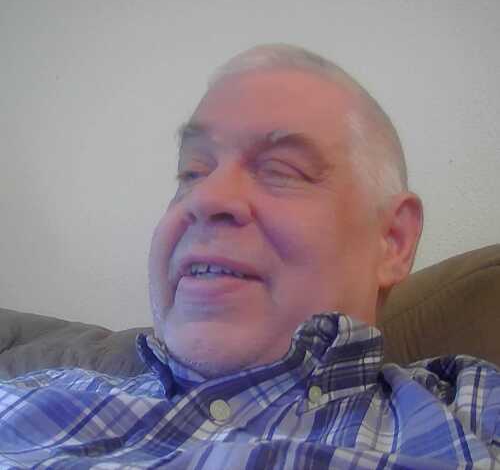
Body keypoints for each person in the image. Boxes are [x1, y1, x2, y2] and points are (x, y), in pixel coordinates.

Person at [0, 44, 498, 469]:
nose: (205, 198)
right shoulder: (31, 395)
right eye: (192, 172)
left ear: (393, 240)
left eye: (280, 170)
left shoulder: (477, 411)